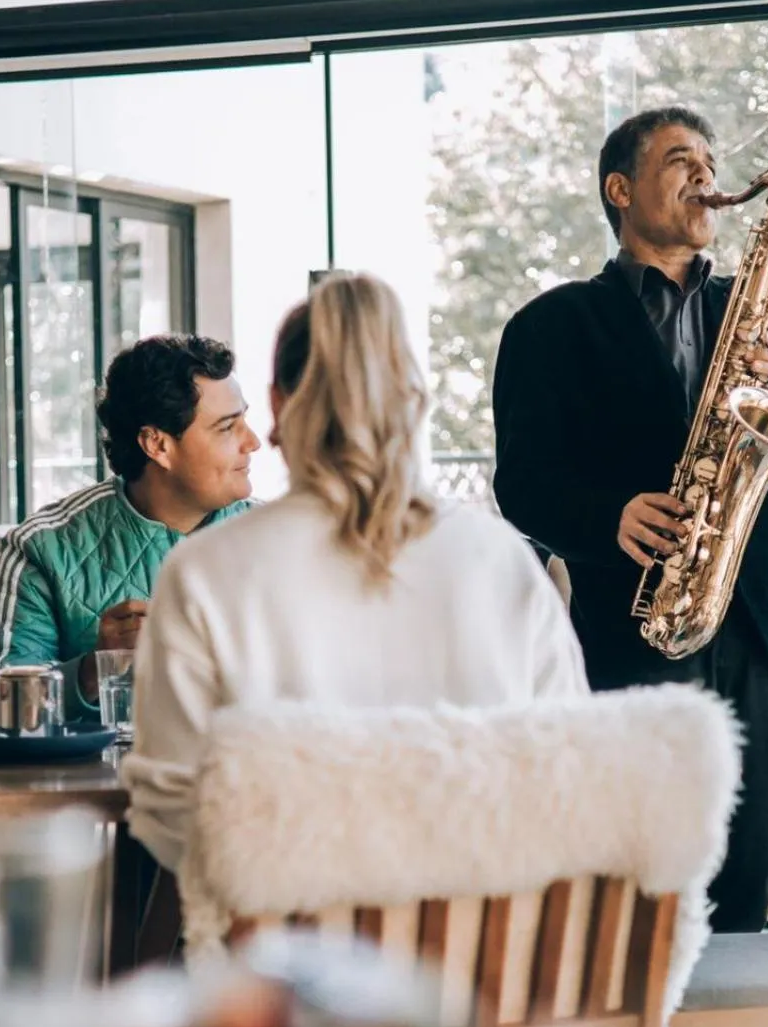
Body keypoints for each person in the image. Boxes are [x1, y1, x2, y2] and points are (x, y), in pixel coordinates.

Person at [492, 106, 768, 933]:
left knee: (753, 868)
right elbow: (523, 484)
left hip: (759, 630)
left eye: (709, 158)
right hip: (634, 624)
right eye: (678, 159)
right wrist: (611, 514)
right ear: (620, 190)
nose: (705, 175)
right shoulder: (550, 328)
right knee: (645, 872)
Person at [124, 272, 587, 874]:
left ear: (279, 405)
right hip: (478, 954)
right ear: (411, 399)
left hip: (283, 954)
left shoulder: (206, 574)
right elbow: (571, 771)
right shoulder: (499, 561)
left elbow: (168, 813)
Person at [0, 335, 258, 721]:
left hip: (247, 776)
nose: (254, 442)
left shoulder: (281, 544)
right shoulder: (44, 548)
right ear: (157, 445)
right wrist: (92, 670)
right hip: (93, 781)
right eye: (227, 428)